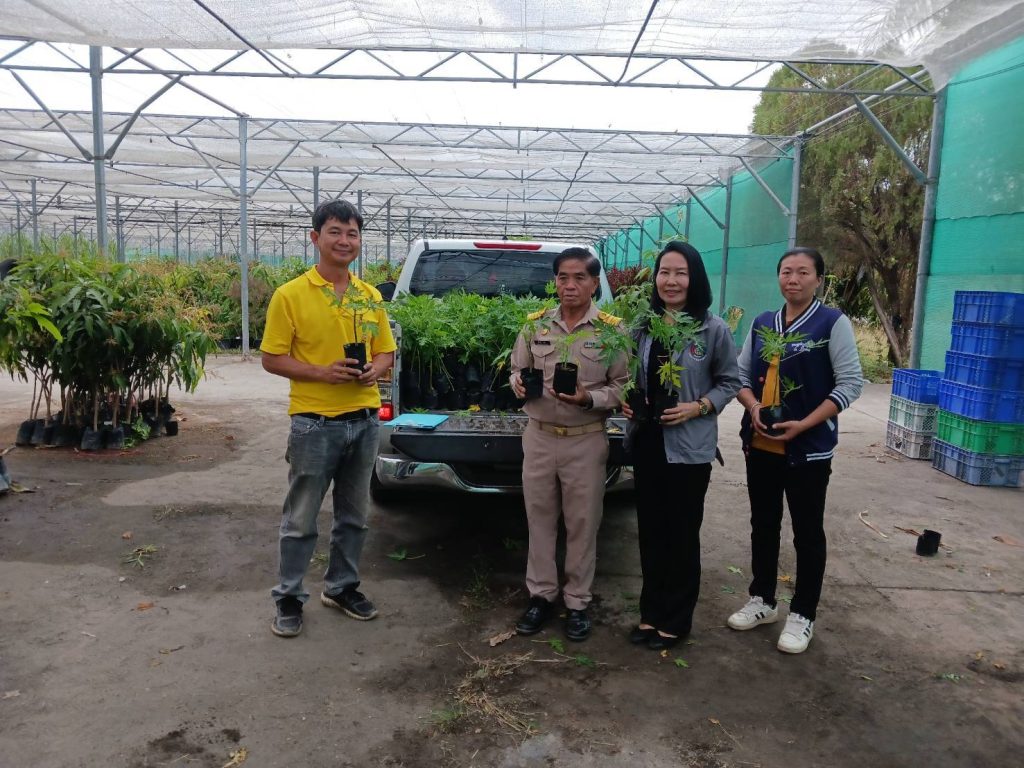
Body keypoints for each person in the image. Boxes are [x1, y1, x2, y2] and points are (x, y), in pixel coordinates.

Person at [260, 199, 397, 638]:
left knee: (354, 515)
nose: (344, 240)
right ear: (315, 237)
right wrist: (323, 373)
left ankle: (341, 587)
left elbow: (386, 351)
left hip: (364, 419)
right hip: (314, 422)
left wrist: (376, 368)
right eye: (335, 231)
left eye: (352, 233)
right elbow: (271, 358)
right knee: (301, 517)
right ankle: (288, 596)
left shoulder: (368, 296)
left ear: (359, 241)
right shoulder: (290, 295)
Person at [727, 247, 863, 654]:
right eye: (786, 271)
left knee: (807, 531)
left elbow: (850, 383)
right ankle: (762, 599)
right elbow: (739, 375)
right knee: (763, 524)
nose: (793, 279)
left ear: (819, 279)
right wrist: (753, 407)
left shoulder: (831, 322)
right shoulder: (762, 323)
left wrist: (804, 424)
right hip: (761, 445)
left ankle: (803, 613)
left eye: (803, 272)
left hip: (808, 449)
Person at [621, 242, 740, 650]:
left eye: (680, 273)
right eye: (664, 272)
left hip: (689, 448)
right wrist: (626, 399)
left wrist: (698, 406)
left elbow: (730, 382)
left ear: (695, 278)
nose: (670, 281)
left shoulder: (712, 329)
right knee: (651, 531)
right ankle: (650, 614)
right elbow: (630, 375)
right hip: (648, 441)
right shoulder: (643, 325)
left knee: (682, 534)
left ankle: (676, 620)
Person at [509, 247, 628, 642]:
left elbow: (623, 386)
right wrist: (518, 383)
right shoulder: (536, 325)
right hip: (540, 437)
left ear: (594, 284)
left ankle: (577, 602)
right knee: (539, 520)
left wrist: (589, 398)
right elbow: (516, 369)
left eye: (580, 278)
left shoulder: (611, 331)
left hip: (585, 439)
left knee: (582, 523)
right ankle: (541, 596)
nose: (570, 285)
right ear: (555, 282)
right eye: (563, 277)